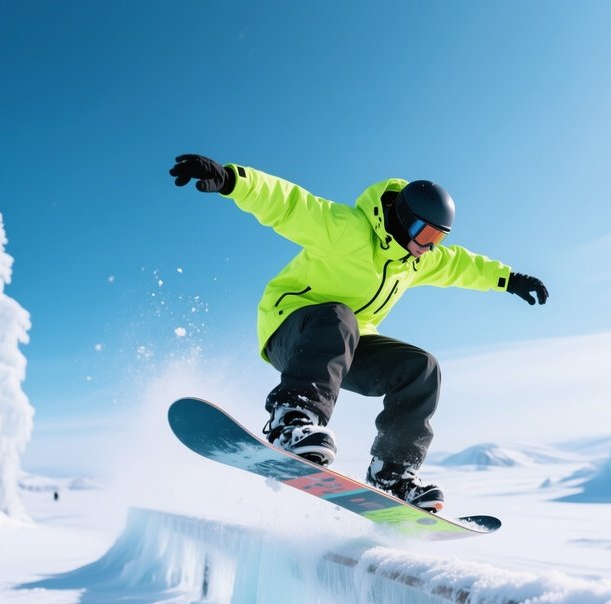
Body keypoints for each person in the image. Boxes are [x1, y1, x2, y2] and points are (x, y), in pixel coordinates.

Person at [170, 154, 548, 512]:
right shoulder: (345, 228)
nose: (428, 246)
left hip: (343, 345)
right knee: (340, 316)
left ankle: (393, 471)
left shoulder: (415, 260)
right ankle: (293, 418)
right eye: (424, 232)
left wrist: (509, 279)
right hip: (291, 330)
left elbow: (463, 265)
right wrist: (230, 179)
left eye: (437, 238)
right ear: (402, 217)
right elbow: (287, 204)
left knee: (421, 367)